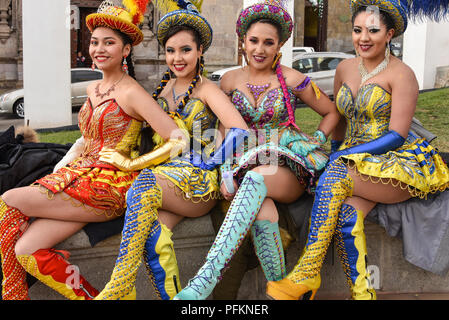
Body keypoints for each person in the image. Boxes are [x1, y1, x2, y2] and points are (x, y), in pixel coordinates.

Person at [0, 0, 185, 300]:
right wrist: (65, 165)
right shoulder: (92, 89)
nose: (99, 48)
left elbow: (178, 138)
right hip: (78, 178)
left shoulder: (132, 92)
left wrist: (131, 164)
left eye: (109, 43)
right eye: (95, 42)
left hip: (108, 188)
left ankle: (13, 295)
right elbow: (87, 139)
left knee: (9, 199)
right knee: (26, 249)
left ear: (125, 50)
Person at [267, 0, 449, 300]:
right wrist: (332, 147)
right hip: (354, 161)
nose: (363, 38)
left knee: (336, 172)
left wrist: (341, 159)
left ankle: (306, 273)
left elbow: (396, 135)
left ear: (390, 34)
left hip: (394, 160)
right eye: (357, 30)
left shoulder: (402, 74)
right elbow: (338, 120)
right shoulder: (344, 68)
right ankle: (363, 294)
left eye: (373, 30)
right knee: (345, 216)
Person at [174, 0, 340, 300]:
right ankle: (283, 290)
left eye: (269, 42)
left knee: (255, 181)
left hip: (285, 167)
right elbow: (225, 129)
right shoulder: (228, 80)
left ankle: (203, 281)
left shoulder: (292, 78)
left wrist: (314, 140)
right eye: (254, 41)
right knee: (263, 211)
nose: (259, 49)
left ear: (279, 46)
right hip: (241, 161)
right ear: (243, 41)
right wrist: (225, 170)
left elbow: (331, 112)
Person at [94, 0, 249, 300]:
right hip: (166, 176)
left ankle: (118, 286)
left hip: (199, 181)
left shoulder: (207, 89)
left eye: (186, 50)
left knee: (140, 188)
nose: (177, 58)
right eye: (170, 50)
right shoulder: (161, 91)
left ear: (200, 51)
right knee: (152, 238)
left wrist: (210, 161)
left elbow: (239, 129)